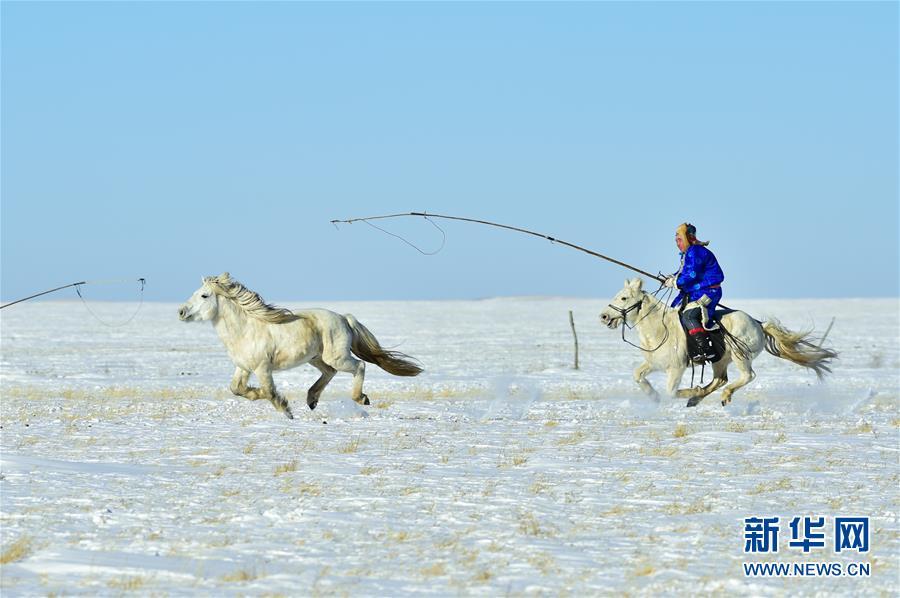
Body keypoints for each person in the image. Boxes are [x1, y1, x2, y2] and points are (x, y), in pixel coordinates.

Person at [664, 223, 724, 363]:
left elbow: (692, 274)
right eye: (676, 241)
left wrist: (675, 282)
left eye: (680, 240)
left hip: (708, 292)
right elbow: (683, 272)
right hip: (695, 292)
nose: (677, 244)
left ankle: (706, 349)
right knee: (674, 311)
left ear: (687, 238)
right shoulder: (688, 253)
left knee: (689, 316)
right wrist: (671, 278)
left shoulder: (695, 251)